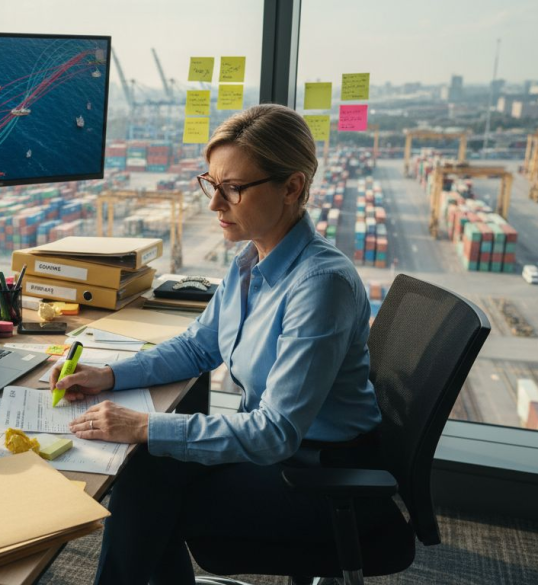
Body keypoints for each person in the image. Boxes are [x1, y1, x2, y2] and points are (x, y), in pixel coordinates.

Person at [49, 104, 385, 585]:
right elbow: (196, 348)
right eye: (211, 183)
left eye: (233, 188)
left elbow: (273, 433)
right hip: (283, 455)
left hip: (320, 476)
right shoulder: (252, 258)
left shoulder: (320, 285)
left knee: (147, 487)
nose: (214, 203)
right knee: (147, 472)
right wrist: (109, 375)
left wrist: (145, 424)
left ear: (292, 187)